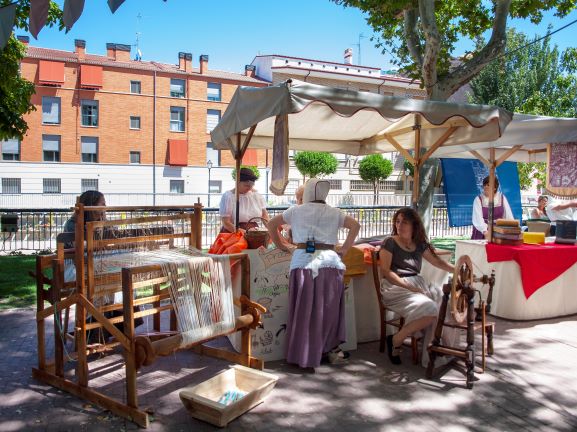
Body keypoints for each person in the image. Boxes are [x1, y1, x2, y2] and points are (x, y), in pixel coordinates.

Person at [267, 178, 360, 369]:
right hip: (330, 262)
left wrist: (282, 246)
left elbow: (271, 224)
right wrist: (344, 249)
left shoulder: (296, 210)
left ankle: (303, 353)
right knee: (329, 310)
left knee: (304, 310)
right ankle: (331, 350)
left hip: (303, 262)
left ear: (308, 191)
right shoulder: (335, 213)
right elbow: (355, 226)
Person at [378, 207, 455, 365]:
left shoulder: (419, 244)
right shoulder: (389, 242)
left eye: (404, 222)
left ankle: (438, 348)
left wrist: (458, 269)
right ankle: (396, 340)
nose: (399, 225)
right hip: (395, 286)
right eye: (397, 222)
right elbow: (386, 272)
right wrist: (409, 287)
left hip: (417, 283)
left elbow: (437, 261)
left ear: (414, 225)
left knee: (443, 302)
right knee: (430, 308)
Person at [219, 167, 269, 233]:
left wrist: (273, 230)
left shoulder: (256, 196)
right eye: (246, 185)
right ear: (237, 182)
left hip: (254, 234)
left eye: (251, 185)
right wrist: (246, 233)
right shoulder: (228, 197)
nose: (249, 188)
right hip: (234, 233)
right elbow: (226, 223)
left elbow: (264, 216)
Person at [471, 176, 514, 240]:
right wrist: (485, 231)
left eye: (488, 185)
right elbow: (478, 218)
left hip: (498, 231)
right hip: (482, 232)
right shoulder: (478, 199)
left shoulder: (502, 198)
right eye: (484, 185)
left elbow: (508, 216)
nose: (485, 187)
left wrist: (512, 230)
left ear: (494, 187)